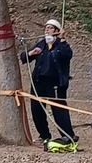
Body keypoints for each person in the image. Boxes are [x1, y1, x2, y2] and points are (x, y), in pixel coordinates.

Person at [22, 18, 77, 151]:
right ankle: (44, 135)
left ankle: (68, 135)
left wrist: (62, 39)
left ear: (57, 31)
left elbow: (67, 55)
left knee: (58, 109)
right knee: (37, 109)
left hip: (55, 83)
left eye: (50, 28)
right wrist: (30, 53)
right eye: (46, 28)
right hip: (38, 81)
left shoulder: (61, 45)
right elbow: (23, 57)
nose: (47, 30)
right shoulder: (41, 44)